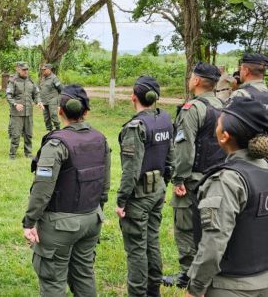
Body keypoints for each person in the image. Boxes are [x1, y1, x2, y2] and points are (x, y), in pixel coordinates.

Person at [23, 85, 110, 297]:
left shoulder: (56, 143)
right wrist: (96, 210)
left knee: (53, 280)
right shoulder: (100, 138)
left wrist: (29, 221)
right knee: (84, 274)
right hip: (92, 218)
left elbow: (42, 189)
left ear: (60, 111)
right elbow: (104, 184)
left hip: (60, 225)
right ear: (86, 112)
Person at [186, 97, 268, 297]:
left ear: (224, 136)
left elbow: (214, 243)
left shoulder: (226, 181)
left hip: (230, 286)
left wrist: (195, 287)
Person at [164, 62, 225, 289]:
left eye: (191, 77)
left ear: (197, 81)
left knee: (185, 227)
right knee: (213, 226)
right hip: (219, 176)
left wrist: (179, 179)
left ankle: (189, 275)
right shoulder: (225, 105)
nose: (190, 80)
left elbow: (184, 148)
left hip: (194, 179)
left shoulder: (192, 109)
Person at [116, 76, 174, 297]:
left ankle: (138, 293)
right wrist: (164, 183)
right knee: (152, 240)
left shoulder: (136, 126)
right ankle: (153, 291)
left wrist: (122, 200)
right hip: (157, 189)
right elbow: (171, 158)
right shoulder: (165, 119)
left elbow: (131, 170)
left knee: (136, 249)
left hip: (139, 195)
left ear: (133, 97)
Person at [6, 62, 44, 159]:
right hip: (17, 113)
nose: (26, 71)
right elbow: (8, 96)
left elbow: (36, 94)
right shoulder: (13, 81)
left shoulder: (31, 81)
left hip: (28, 112)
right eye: (23, 70)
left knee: (28, 134)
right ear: (18, 69)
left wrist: (38, 102)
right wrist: (15, 104)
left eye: (27, 69)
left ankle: (28, 153)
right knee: (16, 134)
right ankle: (12, 154)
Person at [39, 64, 62, 131]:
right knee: (46, 117)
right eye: (42, 70)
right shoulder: (43, 78)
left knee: (53, 115)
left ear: (49, 70)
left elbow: (61, 90)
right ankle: (49, 131)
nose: (43, 71)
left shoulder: (54, 78)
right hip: (44, 100)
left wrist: (59, 102)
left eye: (44, 70)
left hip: (52, 99)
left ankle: (58, 129)